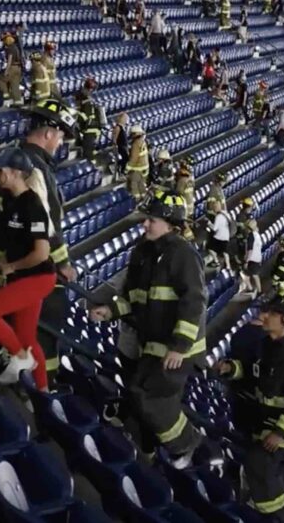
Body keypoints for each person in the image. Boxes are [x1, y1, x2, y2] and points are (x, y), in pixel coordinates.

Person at [89, 193, 206, 469]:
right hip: (154, 344)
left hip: (178, 348)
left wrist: (179, 345)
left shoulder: (184, 254)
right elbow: (135, 297)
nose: (145, 225)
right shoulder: (144, 251)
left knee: (149, 397)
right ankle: (152, 451)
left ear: (170, 224)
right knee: (140, 393)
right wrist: (111, 311)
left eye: (152, 220)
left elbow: (194, 302)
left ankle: (186, 443)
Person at [0, 98, 79, 377]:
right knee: (43, 331)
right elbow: (46, 223)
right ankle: (41, 389)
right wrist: (63, 264)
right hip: (34, 266)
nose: (61, 143)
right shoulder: (34, 169)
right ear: (49, 133)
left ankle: (21, 378)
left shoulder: (17, 159)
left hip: (14, 262)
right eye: (61, 136)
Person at [217, 297, 284, 522]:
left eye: (270, 313)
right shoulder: (265, 344)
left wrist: (280, 433)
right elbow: (251, 371)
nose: (263, 316)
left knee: (258, 464)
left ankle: (276, 519)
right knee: (283, 479)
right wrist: (231, 368)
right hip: (266, 425)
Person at [0, 149, 57, 389]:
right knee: (27, 338)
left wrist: (12, 266)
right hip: (23, 277)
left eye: (1, 170)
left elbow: (41, 254)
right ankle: (43, 392)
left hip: (37, 277)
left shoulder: (32, 205)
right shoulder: (10, 199)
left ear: (15, 173)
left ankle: (21, 359)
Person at [74, 78, 104, 162]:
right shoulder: (87, 99)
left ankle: (91, 166)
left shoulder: (87, 101)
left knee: (88, 153)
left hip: (90, 130)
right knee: (90, 151)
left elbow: (85, 116)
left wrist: (77, 119)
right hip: (91, 129)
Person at [0, 31, 25, 106]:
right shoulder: (16, 47)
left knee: (1, 79)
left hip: (12, 68)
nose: (3, 42)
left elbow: (10, 59)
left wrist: (6, 70)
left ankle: (6, 96)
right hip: (18, 68)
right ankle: (18, 102)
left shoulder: (9, 48)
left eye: (3, 40)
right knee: (15, 85)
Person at [239, 218, 263, 297]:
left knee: (244, 273)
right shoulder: (257, 234)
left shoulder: (250, 236)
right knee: (255, 275)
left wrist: (246, 261)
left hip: (252, 259)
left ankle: (250, 289)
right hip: (258, 258)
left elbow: (250, 250)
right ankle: (258, 291)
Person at [126, 125, 149, 201]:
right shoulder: (143, 141)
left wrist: (127, 168)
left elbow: (134, 158)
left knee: (134, 185)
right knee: (141, 185)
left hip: (137, 169)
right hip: (145, 168)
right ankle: (145, 200)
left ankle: (136, 202)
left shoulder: (135, 144)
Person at [208, 199, 233, 270]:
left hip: (219, 237)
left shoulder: (218, 217)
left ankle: (216, 261)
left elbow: (214, 228)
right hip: (226, 236)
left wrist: (209, 224)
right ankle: (228, 266)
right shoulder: (226, 214)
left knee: (210, 249)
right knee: (225, 252)